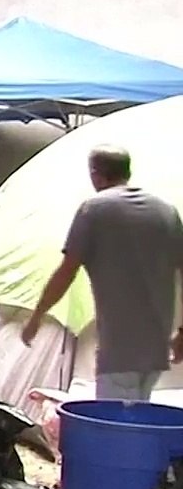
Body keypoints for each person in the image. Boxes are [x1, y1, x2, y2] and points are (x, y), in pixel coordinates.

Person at [22, 145, 183, 401]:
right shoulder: (167, 211)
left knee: (115, 425)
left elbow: (67, 272)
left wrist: (36, 317)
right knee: (140, 417)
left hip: (118, 348)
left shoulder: (94, 210)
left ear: (95, 174)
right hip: (156, 346)